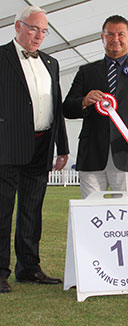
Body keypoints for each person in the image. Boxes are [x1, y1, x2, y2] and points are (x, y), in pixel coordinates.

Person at [0, 6, 69, 294]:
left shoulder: (51, 63)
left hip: (42, 147)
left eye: (43, 30)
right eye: (33, 28)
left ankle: (29, 268)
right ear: (17, 27)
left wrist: (62, 146)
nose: (38, 35)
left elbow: (57, 106)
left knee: (32, 211)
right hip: (6, 146)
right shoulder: (1, 57)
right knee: (2, 212)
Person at [63, 15, 128, 198]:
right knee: (91, 213)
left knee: (127, 212)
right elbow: (67, 109)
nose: (115, 39)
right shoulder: (86, 72)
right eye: (110, 34)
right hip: (92, 155)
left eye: (120, 34)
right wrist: (84, 101)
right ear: (102, 37)